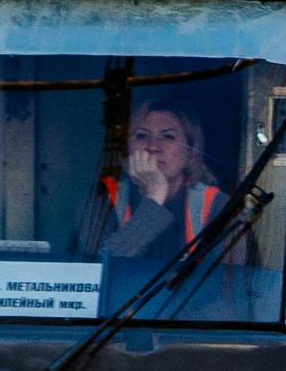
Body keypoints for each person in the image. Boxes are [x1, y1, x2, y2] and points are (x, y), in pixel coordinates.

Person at [75, 103, 231, 261]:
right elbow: (97, 269)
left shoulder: (215, 204)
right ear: (128, 148)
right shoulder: (103, 199)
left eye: (168, 136)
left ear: (190, 151)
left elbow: (228, 277)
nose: (153, 146)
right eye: (141, 135)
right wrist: (154, 196)